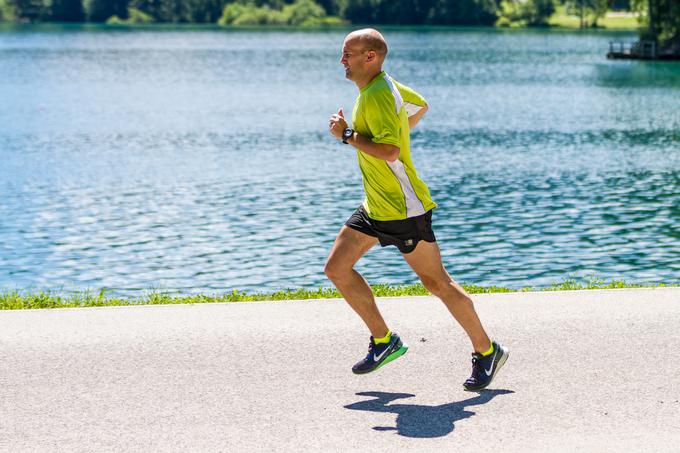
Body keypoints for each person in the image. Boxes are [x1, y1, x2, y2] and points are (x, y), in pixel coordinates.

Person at [326, 28, 508, 391]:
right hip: (376, 205)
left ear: (370, 57)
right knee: (337, 268)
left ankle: (487, 351)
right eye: (343, 53)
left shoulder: (378, 95)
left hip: (403, 208)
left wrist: (347, 136)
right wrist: (394, 132)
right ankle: (383, 340)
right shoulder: (381, 88)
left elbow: (391, 152)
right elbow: (420, 105)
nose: (341, 60)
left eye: (348, 53)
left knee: (437, 283)